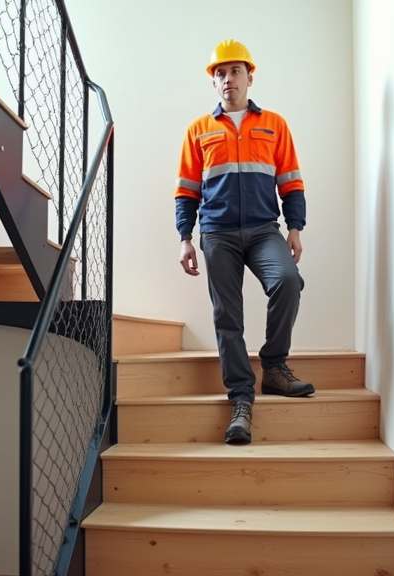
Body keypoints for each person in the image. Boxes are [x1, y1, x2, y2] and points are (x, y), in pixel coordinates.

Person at [174, 39, 315, 445]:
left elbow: (291, 180)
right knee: (227, 317)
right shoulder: (198, 131)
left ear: (249, 77)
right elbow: (186, 190)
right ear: (213, 82)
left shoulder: (274, 124)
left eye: (235, 71)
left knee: (288, 281)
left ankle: (273, 366)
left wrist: (295, 226)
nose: (227, 79)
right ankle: (240, 399)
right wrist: (185, 237)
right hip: (217, 233)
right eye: (220, 72)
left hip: (263, 229)